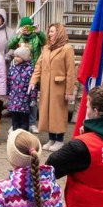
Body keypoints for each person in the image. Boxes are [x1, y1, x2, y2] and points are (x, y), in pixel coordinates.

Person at [30, 23, 75, 151]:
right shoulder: (46, 48)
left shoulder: (67, 48)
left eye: (52, 31)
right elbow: (38, 66)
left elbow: (70, 71)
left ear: (59, 32)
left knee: (58, 114)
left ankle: (59, 140)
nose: (50, 34)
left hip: (59, 87)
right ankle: (51, 139)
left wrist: (69, 91)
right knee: (47, 112)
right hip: (46, 86)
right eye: (49, 31)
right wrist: (33, 81)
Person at [7, 17, 47, 133]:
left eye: (29, 27)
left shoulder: (36, 37)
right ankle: (15, 123)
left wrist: (38, 32)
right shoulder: (20, 38)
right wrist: (19, 34)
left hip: (32, 70)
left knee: (31, 97)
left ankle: (32, 122)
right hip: (19, 71)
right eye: (25, 27)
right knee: (17, 98)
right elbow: (10, 45)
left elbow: (45, 42)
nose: (27, 29)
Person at [7, 47, 37, 133]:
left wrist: (33, 98)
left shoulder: (30, 69)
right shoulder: (13, 68)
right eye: (15, 56)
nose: (15, 58)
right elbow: (9, 81)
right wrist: (7, 93)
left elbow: (33, 85)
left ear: (24, 57)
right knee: (15, 120)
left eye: (18, 56)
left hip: (24, 99)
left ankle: (23, 137)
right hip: (14, 99)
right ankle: (14, 136)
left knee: (24, 121)